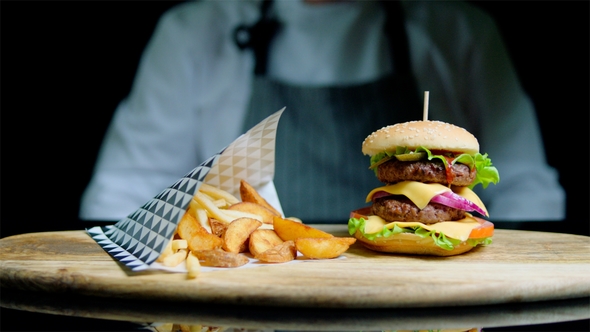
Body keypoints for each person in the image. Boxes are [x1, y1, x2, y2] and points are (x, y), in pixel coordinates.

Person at [79, 0, 565, 224]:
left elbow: (527, 187)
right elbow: (128, 187)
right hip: (248, 298)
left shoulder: (458, 28)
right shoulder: (195, 29)